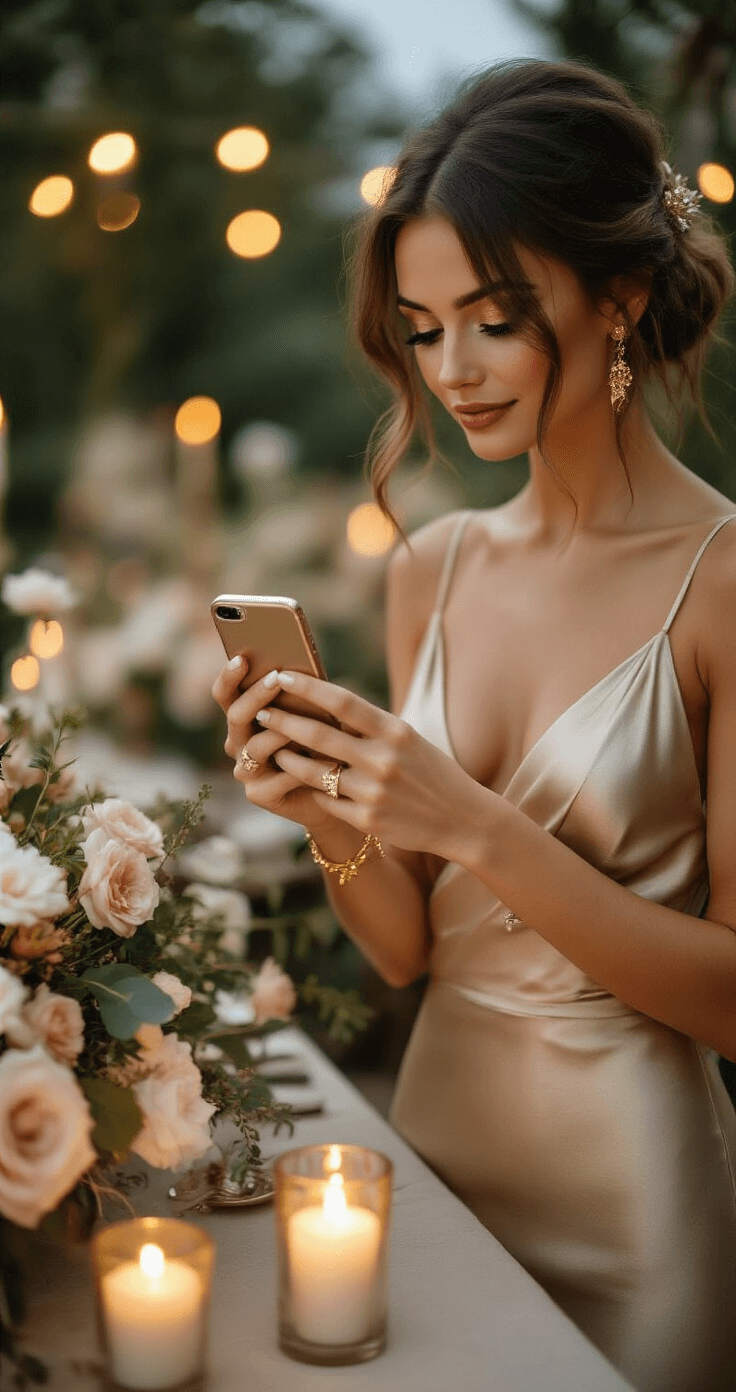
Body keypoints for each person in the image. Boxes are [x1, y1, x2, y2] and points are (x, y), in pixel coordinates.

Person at [213, 58, 736, 1392]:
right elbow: (409, 953)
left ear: (617, 297)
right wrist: (325, 805)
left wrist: (474, 822)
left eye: (497, 318)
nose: (453, 370)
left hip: (637, 1213)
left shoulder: (722, 581)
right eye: (423, 326)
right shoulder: (429, 568)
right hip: (435, 1156)